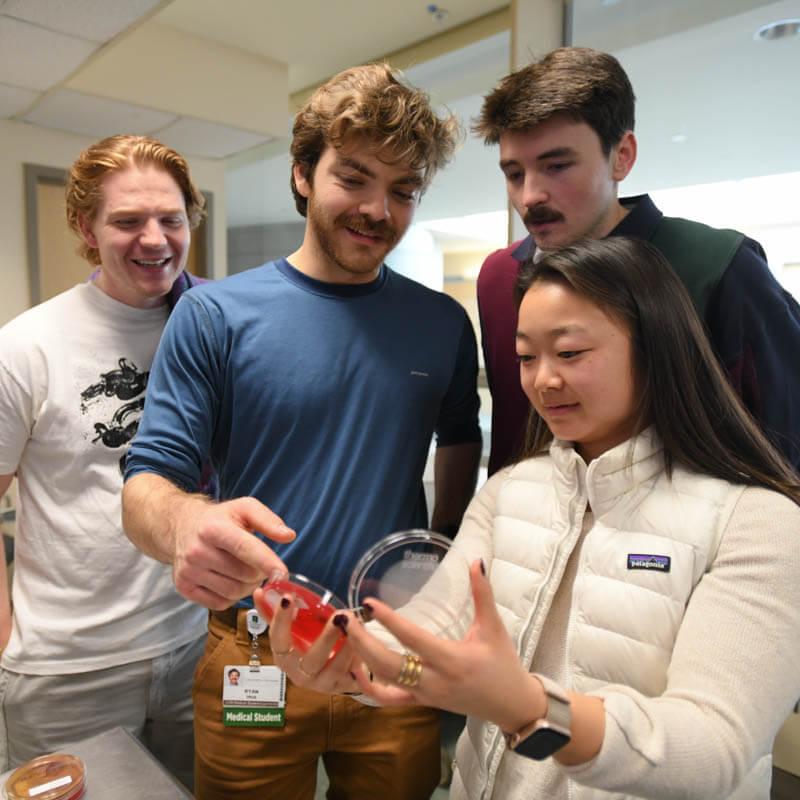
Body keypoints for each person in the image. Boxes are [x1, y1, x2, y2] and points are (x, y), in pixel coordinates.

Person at [266, 236, 800, 800]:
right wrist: (350, 660)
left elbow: (711, 752)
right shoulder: (510, 493)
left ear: (655, 347)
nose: (542, 380)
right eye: (526, 357)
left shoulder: (758, 524)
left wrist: (530, 713)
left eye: (569, 353)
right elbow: (431, 636)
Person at [121, 63, 482, 800]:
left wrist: (441, 552)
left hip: (390, 645)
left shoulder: (442, 322)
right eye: (354, 177)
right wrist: (186, 520)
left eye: (405, 190)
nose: (380, 208)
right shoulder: (215, 316)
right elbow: (148, 481)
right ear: (303, 175)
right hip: (255, 644)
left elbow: (460, 435)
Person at [475, 46, 800, 475]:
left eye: (556, 166)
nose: (530, 196)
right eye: (514, 174)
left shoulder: (718, 267)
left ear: (622, 156)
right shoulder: (499, 280)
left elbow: (786, 441)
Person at [0, 135, 210, 788]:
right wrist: (7, 642)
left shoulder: (210, 325)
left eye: (170, 219)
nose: (155, 240)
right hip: (68, 670)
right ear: (86, 229)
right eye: (127, 221)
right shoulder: (26, 346)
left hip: (191, 647)